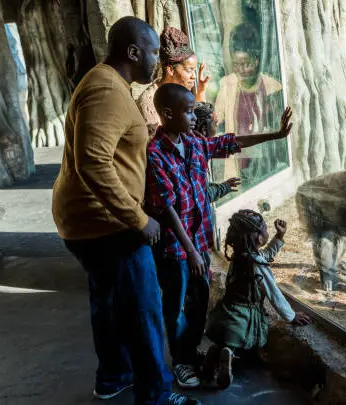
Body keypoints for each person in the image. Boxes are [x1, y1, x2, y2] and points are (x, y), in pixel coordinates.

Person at [52, 17, 199, 405]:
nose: (157, 60)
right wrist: (138, 219)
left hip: (88, 221)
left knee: (108, 301)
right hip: (107, 224)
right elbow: (94, 163)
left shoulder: (108, 85)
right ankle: (157, 395)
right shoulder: (105, 90)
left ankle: (113, 377)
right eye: (152, 52)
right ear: (133, 52)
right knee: (144, 309)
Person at [144, 84, 293, 389]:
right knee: (176, 307)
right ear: (168, 114)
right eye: (188, 111)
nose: (194, 117)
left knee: (198, 303)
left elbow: (231, 142)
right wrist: (192, 252)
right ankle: (182, 361)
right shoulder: (155, 153)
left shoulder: (194, 143)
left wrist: (274, 135)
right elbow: (168, 207)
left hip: (198, 242)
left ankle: (192, 350)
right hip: (177, 249)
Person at [204, 210, 311, 389]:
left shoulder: (240, 255)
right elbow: (274, 293)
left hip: (227, 312)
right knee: (242, 339)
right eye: (265, 229)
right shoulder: (256, 264)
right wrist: (291, 316)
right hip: (244, 315)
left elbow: (264, 256)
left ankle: (215, 354)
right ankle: (229, 354)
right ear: (258, 237)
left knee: (226, 339)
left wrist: (279, 236)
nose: (267, 231)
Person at [214, 22, 286, 185]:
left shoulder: (272, 87)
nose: (242, 70)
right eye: (237, 64)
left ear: (257, 60)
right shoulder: (226, 84)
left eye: (247, 63)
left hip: (264, 163)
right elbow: (216, 118)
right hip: (237, 162)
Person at [137, 26, 209, 136]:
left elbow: (198, 124)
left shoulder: (182, 92)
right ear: (170, 69)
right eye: (189, 70)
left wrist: (201, 90)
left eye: (194, 70)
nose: (194, 76)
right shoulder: (149, 102)